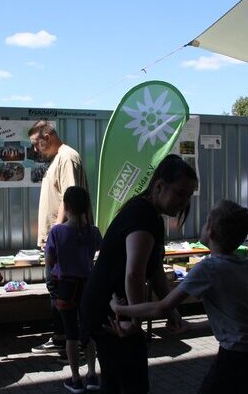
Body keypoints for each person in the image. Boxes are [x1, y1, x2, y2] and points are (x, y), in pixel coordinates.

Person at [110, 199, 248, 394]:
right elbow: (242, 320)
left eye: (206, 222)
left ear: (210, 232)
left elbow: (162, 307)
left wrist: (120, 309)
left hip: (237, 356)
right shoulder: (246, 265)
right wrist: (191, 326)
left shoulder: (209, 268)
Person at [81, 154, 198, 394]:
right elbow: (134, 273)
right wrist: (135, 320)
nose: (183, 202)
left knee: (116, 380)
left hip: (110, 307)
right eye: (179, 193)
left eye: (188, 196)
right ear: (159, 186)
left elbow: (153, 270)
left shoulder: (148, 213)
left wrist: (170, 308)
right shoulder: (143, 216)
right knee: (132, 382)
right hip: (111, 310)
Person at [29, 119, 90, 355]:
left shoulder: (67, 157)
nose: (35, 149)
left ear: (48, 136)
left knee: (63, 290)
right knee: (56, 289)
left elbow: (71, 197)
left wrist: (57, 232)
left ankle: (69, 343)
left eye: (36, 144)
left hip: (63, 240)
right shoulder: (58, 158)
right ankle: (63, 338)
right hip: (57, 239)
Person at [44, 186, 102, 393]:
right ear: (86, 207)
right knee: (89, 332)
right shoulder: (93, 232)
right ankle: (93, 375)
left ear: (66, 206)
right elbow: (99, 251)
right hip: (88, 287)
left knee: (71, 334)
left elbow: (49, 261)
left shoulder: (57, 232)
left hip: (66, 287)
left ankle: (76, 379)